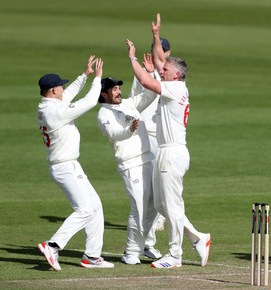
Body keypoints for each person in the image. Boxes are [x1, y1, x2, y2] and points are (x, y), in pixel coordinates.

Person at [125, 13, 211, 269]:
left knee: (171, 207)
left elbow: (144, 79)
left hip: (172, 153)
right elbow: (160, 59)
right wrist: (155, 36)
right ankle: (198, 238)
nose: (161, 69)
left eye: (166, 70)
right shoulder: (173, 82)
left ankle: (175, 256)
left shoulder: (176, 88)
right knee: (162, 204)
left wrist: (131, 58)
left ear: (177, 75)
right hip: (164, 151)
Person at [36, 55, 114, 271]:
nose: (63, 88)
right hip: (64, 167)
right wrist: (97, 79)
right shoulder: (56, 112)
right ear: (53, 91)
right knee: (85, 209)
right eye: (60, 86)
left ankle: (92, 256)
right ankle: (52, 245)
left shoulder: (46, 106)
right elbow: (89, 102)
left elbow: (67, 96)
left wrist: (84, 76)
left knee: (95, 207)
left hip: (69, 165)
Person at [97, 62, 162, 265]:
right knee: (138, 208)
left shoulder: (127, 103)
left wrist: (150, 73)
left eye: (118, 88)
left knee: (154, 205)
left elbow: (150, 95)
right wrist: (131, 129)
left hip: (147, 158)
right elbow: (116, 134)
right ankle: (131, 251)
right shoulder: (104, 114)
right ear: (104, 94)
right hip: (129, 163)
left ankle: (147, 245)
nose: (118, 91)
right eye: (114, 89)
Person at [129, 38, 171, 232]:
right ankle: (152, 220)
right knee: (151, 181)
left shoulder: (171, 76)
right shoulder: (143, 73)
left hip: (161, 134)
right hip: (145, 132)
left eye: (162, 51)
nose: (157, 54)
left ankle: (159, 217)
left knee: (161, 179)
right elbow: (138, 96)